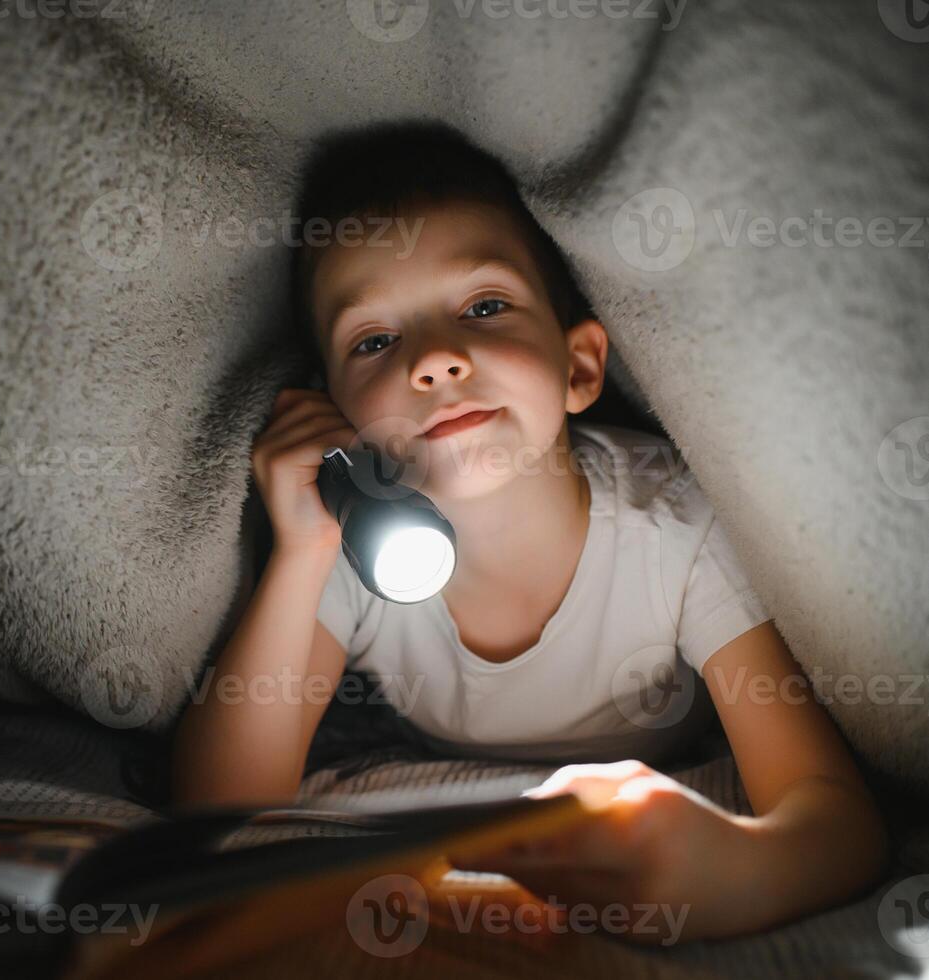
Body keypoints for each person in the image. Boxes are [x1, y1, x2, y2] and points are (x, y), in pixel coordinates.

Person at [170, 120, 889, 942]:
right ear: (335, 410)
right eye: (374, 340)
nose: (434, 361)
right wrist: (301, 551)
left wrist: (737, 870)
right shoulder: (351, 547)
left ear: (579, 367)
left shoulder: (673, 528)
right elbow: (217, 809)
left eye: (483, 306)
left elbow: (836, 819)